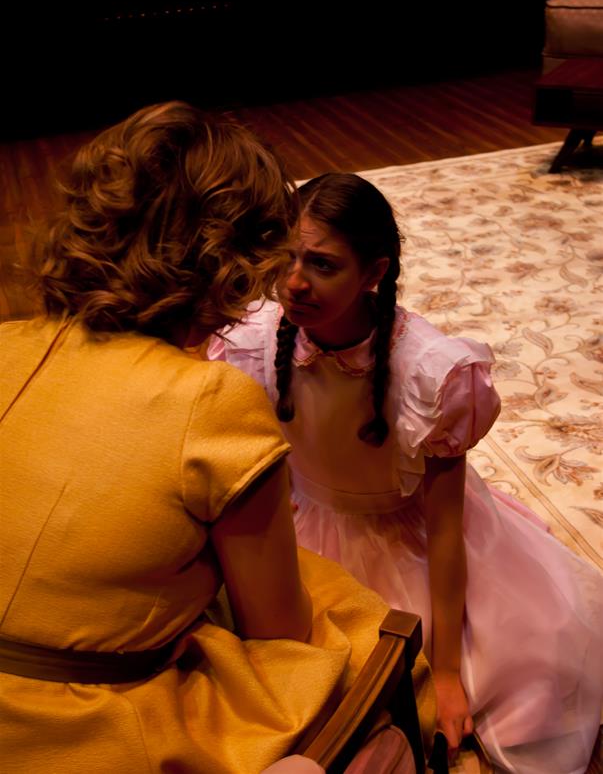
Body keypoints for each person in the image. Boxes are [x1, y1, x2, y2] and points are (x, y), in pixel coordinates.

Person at [0, 110, 434, 774]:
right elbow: (279, 632)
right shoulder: (212, 400)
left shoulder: (8, 344)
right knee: (363, 635)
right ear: (237, 259)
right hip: (88, 734)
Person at [208, 172, 603, 774]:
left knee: (519, 677)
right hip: (306, 534)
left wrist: (446, 672)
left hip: (410, 540)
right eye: (287, 257)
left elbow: (445, 531)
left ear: (374, 273)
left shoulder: (430, 372)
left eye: (321, 264)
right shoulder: (256, 337)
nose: (293, 282)